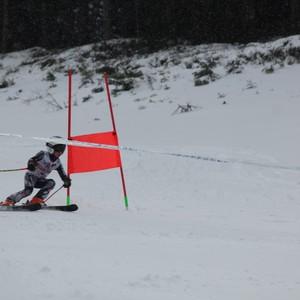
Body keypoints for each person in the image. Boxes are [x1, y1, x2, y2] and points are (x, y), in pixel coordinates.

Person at [0, 136, 71, 206]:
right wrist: (31, 164)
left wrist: (66, 180)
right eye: (58, 150)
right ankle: (9, 200)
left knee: (51, 183)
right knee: (28, 191)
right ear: (51, 148)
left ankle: (36, 200)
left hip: (40, 180)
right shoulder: (43, 154)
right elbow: (32, 159)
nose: (60, 153)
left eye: (62, 150)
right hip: (31, 176)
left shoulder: (57, 163)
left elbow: (62, 174)